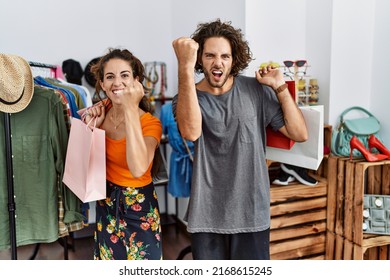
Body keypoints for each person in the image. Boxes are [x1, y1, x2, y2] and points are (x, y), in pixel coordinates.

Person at [172, 19, 308, 260]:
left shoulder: (256, 90)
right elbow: (191, 132)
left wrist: (279, 87)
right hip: (206, 216)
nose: (218, 63)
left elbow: (299, 134)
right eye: (210, 55)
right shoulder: (186, 97)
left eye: (225, 56)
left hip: (252, 213)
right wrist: (184, 66)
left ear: (234, 60)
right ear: (200, 60)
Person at [81, 48, 163, 260]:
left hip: (139, 211)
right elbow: (82, 159)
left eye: (124, 75)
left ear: (136, 81)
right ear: (101, 83)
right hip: (106, 204)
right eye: (110, 77)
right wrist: (93, 129)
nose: (117, 82)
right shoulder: (99, 111)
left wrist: (130, 108)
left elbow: (138, 169)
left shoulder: (150, 124)